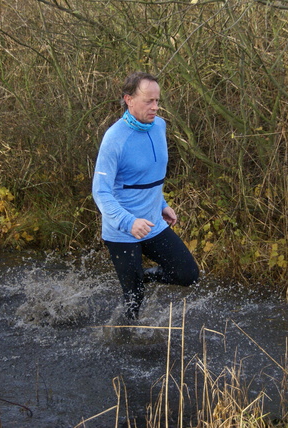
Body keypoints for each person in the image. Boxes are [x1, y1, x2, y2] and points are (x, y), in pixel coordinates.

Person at [92, 72, 199, 320]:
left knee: (187, 274)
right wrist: (129, 222)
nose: (155, 107)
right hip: (122, 229)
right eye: (148, 101)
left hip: (152, 223)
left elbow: (149, 174)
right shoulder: (114, 138)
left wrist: (162, 204)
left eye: (157, 101)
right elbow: (101, 191)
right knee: (133, 300)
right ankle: (125, 343)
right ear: (128, 99)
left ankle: (143, 276)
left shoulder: (159, 126)